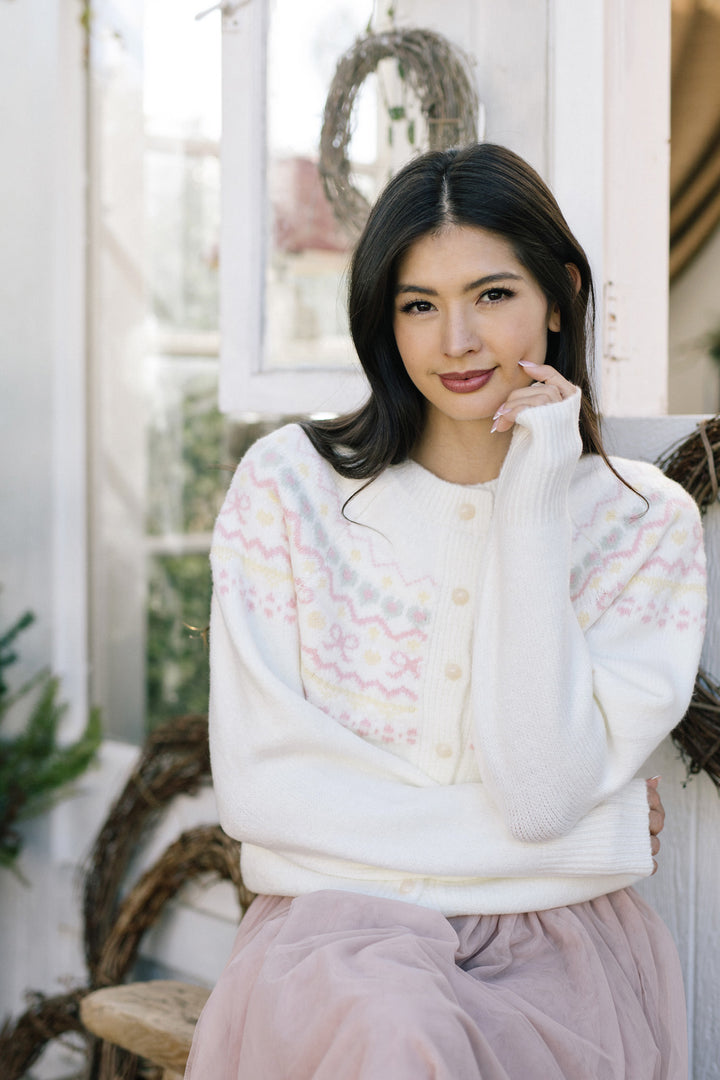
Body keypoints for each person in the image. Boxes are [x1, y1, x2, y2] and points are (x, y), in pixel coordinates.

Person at [185, 144, 706, 1079]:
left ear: (560, 295)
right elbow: (264, 797)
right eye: (418, 305)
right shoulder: (290, 489)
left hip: (560, 953)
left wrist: (536, 498)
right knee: (395, 1038)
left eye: (493, 295)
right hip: (335, 944)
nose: (455, 340)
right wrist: (609, 834)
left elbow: (540, 792)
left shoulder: (641, 523)